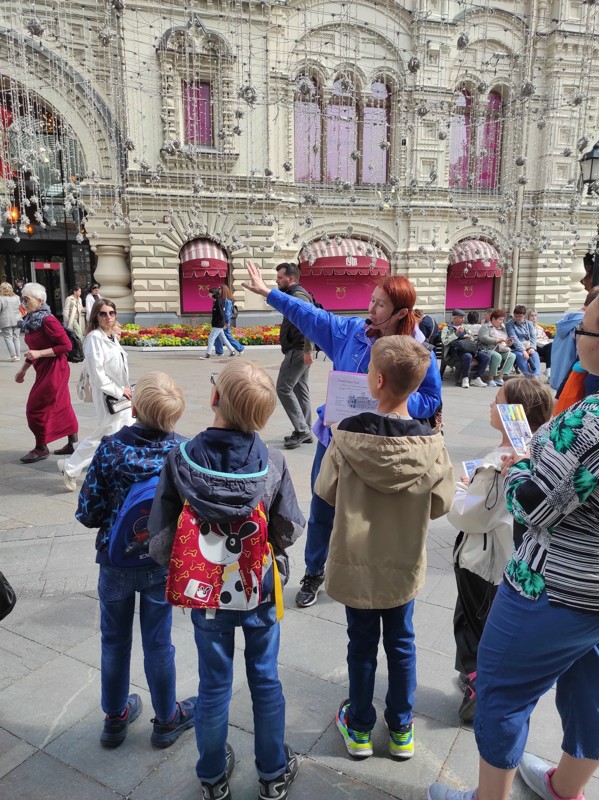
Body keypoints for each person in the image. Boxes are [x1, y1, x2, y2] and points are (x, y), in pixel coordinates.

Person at [429, 294, 599, 800]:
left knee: (501, 690)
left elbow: (533, 504)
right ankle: (565, 787)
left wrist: (519, 464)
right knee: (592, 690)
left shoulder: (591, 419)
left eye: (581, 331)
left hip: (554, 587)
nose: (573, 339)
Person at [147, 360, 305, 800]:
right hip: (258, 591)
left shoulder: (180, 459)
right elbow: (290, 526)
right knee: (266, 679)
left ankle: (213, 777)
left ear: (215, 397)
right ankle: (272, 773)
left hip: (206, 594)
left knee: (214, 685)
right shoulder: (272, 462)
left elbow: (161, 536)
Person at [243, 260, 442, 609]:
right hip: (337, 439)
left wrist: (389, 398)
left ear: (400, 312)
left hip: (385, 446)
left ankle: (368, 574)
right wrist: (270, 294)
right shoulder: (351, 332)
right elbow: (310, 315)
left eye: (380, 304)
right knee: (322, 506)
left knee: (371, 516)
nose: (371, 308)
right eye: (372, 300)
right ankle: (314, 572)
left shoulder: (415, 350)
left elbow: (431, 399)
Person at [315, 336, 454, 761]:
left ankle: (359, 728)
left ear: (376, 381)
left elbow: (325, 491)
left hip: (355, 562)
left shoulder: (346, 436)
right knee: (402, 644)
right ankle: (401, 729)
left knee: (360, 646)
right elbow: (441, 504)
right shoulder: (432, 443)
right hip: (402, 564)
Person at [76, 371, 196, 749]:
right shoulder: (183, 452)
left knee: (113, 642)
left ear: (136, 407)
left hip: (115, 561)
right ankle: (167, 719)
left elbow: (88, 512)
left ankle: (115, 717)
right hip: (161, 562)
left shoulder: (111, 449)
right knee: (159, 643)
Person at [448, 377, 553, 723]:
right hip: (517, 560)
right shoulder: (542, 451)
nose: (491, 406)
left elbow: (468, 515)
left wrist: (461, 489)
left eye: (497, 402)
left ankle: (478, 684)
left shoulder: (500, 463)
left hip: (484, 562)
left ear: (513, 413)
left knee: (472, 623)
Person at [58, 300, 133, 491]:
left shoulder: (110, 336)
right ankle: (70, 467)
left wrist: (125, 387)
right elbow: (97, 374)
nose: (108, 317)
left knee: (122, 432)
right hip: (109, 394)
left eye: (112, 313)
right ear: (95, 316)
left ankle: (116, 469)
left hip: (120, 393)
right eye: (103, 314)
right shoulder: (94, 339)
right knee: (106, 434)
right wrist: (119, 390)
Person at [14, 282, 78, 463]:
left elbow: (66, 345)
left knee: (35, 408)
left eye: (27, 299)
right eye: (22, 298)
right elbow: (35, 349)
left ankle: (41, 448)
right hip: (43, 368)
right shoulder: (31, 319)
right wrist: (23, 369)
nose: (23, 302)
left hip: (56, 369)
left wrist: (39, 354)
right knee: (63, 404)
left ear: (40, 301)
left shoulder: (48, 320)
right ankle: (73, 443)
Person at [273, 262, 315, 450]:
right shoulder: (293, 294)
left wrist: (308, 350)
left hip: (298, 350)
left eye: (280, 278)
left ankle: (302, 430)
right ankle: (305, 430)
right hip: (299, 349)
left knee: (283, 388)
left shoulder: (298, 296)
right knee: (300, 390)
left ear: (290, 279)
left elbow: (310, 322)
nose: (277, 280)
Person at [550, 287, 599, 392]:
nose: (575, 336)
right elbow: (580, 358)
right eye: (581, 329)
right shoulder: (586, 323)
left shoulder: (566, 320)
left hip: (559, 377)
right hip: (573, 381)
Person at [441, 309, 491, 388]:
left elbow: (472, 337)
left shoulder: (465, 327)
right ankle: (465, 378)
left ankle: (476, 378)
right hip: (456, 352)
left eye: (463, 317)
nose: (463, 319)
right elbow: (445, 341)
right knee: (468, 356)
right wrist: (456, 334)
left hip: (470, 349)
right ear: (454, 318)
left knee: (486, 357)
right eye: (461, 317)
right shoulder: (447, 328)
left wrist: (469, 337)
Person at [477, 309, 517, 387]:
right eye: (500, 320)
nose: (501, 322)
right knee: (497, 356)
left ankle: (500, 377)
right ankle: (490, 378)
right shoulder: (485, 327)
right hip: (487, 349)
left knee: (512, 356)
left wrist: (508, 342)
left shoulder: (502, 328)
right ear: (493, 319)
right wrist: (497, 340)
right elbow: (483, 338)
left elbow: (505, 338)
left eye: (502, 320)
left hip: (501, 349)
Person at [200, 286, 236, 359]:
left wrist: (223, 323)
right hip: (218, 324)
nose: (208, 294)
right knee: (223, 338)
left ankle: (207, 354)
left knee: (211, 338)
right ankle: (232, 351)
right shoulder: (216, 302)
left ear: (213, 294)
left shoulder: (218, 302)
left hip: (218, 324)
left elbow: (222, 314)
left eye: (209, 293)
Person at [506, 305, 541, 378]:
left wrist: (532, 348)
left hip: (528, 346)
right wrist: (523, 350)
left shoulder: (529, 324)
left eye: (520, 316)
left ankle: (535, 377)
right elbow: (514, 338)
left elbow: (533, 337)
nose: (517, 318)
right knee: (520, 355)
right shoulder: (509, 324)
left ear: (524, 315)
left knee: (535, 354)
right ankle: (529, 377)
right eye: (516, 316)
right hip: (516, 347)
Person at [213, 284, 244, 356]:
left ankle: (240, 348)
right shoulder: (221, 300)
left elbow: (227, 313)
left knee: (227, 336)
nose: (218, 290)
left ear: (223, 290)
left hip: (224, 322)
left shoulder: (227, 301)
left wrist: (227, 322)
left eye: (219, 289)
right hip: (220, 321)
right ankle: (219, 352)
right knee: (217, 336)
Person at [525, 309, 552, 380]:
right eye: (532, 316)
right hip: (532, 347)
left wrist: (543, 341)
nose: (534, 317)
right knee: (550, 352)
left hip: (543, 346)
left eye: (535, 315)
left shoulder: (540, 328)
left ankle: (549, 371)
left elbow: (546, 338)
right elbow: (526, 340)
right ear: (527, 317)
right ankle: (549, 374)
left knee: (551, 346)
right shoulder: (525, 327)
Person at [0, 281, 22, 361]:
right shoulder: (17, 297)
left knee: (8, 337)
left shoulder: (1, 298)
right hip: (17, 319)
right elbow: (20, 308)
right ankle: (18, 355)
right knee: (16, 337)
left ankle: (13, 356)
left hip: (6, 320)